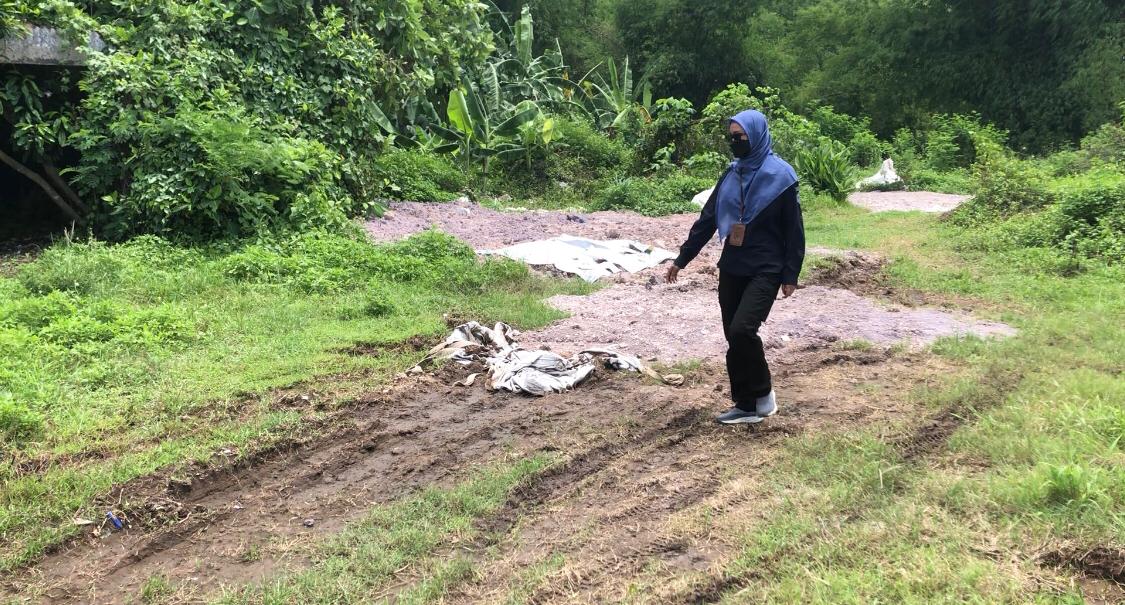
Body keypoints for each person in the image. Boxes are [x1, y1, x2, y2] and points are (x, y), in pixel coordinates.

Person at [665, 109, 804, 424]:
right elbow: (708, 220)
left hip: (766, 267)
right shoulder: (731, 175)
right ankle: (745, 403)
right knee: (733, 334)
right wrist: (682, 259)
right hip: (732, 265)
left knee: (743, 330)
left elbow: (794, 230)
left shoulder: (782, 177)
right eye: (731, 137)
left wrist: (790, 274)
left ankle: (762, 395)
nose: (734, 142)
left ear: (755, 136)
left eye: (739, 137)